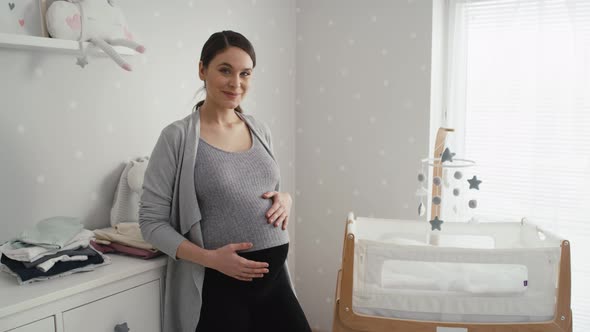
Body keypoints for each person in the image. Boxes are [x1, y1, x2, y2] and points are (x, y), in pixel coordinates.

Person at [139, 30, 311, 332]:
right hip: (221, 288)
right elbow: (151, 223)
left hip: (275, 284)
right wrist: (212, 259)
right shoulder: (177, 138)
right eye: (225, 70)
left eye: (245, 73)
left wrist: (286, 199)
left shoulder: (258, 128)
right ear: (202, 70)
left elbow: (259, 188)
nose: (236, 83)